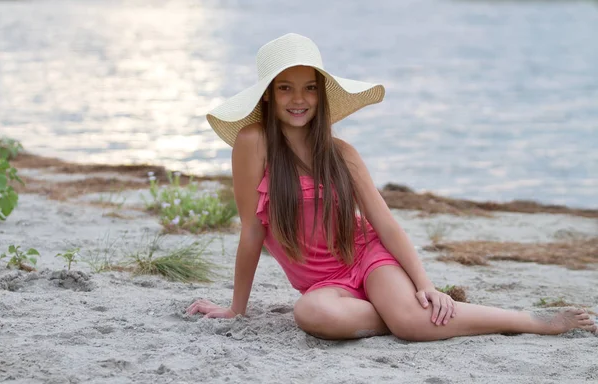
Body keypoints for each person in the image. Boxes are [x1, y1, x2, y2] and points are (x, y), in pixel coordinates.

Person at [186, 33, 596, 341]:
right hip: (325, 287)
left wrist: (425, 285)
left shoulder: (341, 153)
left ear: (322, 95)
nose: (300, 99)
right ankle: (405, 315)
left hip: (368, 257)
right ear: (268, 96)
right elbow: (252, 229)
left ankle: (529, 321)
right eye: (286, 87)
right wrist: (236, 309)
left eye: (310, 87)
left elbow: (384, 222)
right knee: (311, 315)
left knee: (411, 319)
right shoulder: (252, 144)